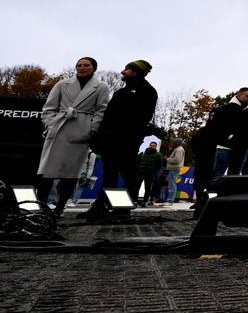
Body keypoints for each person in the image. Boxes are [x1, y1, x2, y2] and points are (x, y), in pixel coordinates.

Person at [82, 59, 161, 219]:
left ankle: (123, 208)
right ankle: (101, 206)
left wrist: (129, 134)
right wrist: (100, 137)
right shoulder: (121, 92)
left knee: (128, 174)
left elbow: (141, 118)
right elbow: (108, 116)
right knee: (109, 174)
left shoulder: (148, 91)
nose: (122, 72)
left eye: (127, 69)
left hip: (128, 141)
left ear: (136, 72)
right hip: (111, 140)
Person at [37, 57, 113, 217]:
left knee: (71, 173)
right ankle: (42, 207)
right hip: (59, 128)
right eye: (79, 65)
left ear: (94, 68)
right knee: (46, 171)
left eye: (86, 65)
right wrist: (51, 124)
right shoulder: (62, 84)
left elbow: (102, 110)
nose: (82, 68)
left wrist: (91, 129)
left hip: (81, 131)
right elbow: (49, 107)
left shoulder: (101, 87)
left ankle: (59, 208)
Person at [188, 87, 248, 206]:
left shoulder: (246, 111)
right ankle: (207, 200)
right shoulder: (227, 110)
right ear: (238, 95)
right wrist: (229, 138)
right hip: (225, 148)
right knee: (217, 176)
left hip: (239, 148)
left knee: (233, 176)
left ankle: (223, 200)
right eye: (247, 96)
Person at [135, 136, 167, 206]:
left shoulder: (158, 155)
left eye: (154, 146)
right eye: (151, 145)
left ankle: (145, 201)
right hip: (141, 172)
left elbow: (159, 165)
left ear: (156, 147)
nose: (152, 146)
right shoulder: (142, 153)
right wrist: (138, 169)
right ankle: (134, 200)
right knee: (137, 187)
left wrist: (155, 173)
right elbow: (137, 162)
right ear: (149, 146)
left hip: (150, 173)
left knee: (148, 188)